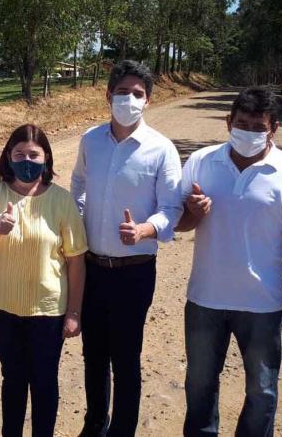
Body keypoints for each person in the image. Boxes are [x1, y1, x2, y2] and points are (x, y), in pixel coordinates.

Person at [176, 87, 282, 437]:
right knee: (199, 387)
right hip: (205, 300)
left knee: (262, 391)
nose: (249, 132)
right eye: (242, 123)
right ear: (228, 123)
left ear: (274, 128)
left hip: (262, 305)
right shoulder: (201, 162)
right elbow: (178, 223)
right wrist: (192, 214)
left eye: (258, 127)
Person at [71, 60, 184, 437]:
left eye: (137, 94)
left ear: (148, 100)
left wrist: (145, 229)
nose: (129, 99)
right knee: (93, 355)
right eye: (123, 92)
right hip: (91, 268)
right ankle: (94, 423)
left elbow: (171, 208)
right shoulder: (90, 140)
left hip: (134, 272)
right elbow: (79, 181)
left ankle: (122, 430)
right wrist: (78, 215)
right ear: (108, 95)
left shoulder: (161, 150)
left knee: (125, 359)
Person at [0, 124, 88, 437]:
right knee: (12, 378)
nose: (27, 159)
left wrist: (74, 312)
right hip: (3, 307)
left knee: (43, 380)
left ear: (46, 159)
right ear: (8, 157)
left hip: (47, 310)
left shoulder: (62, 201)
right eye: (19, 153)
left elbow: (76, 260)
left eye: (34, 154)